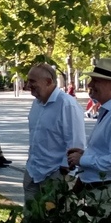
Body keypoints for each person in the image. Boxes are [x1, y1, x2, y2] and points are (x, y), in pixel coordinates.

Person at [67, 58, 111, 210]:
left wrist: (84, 159)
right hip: (105, 192)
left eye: (96, 80)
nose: (90, 84)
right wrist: (88, 154)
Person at [23, 63, 86, 208]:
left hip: (55, 174)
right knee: (31, 218)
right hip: (33, 171)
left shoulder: (67, 104)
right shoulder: (36, 104)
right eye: (28, 81)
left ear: (48, 82)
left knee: (55, 220)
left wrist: (64, 172)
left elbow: (76, 142)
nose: (28, 85)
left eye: (32, 81)